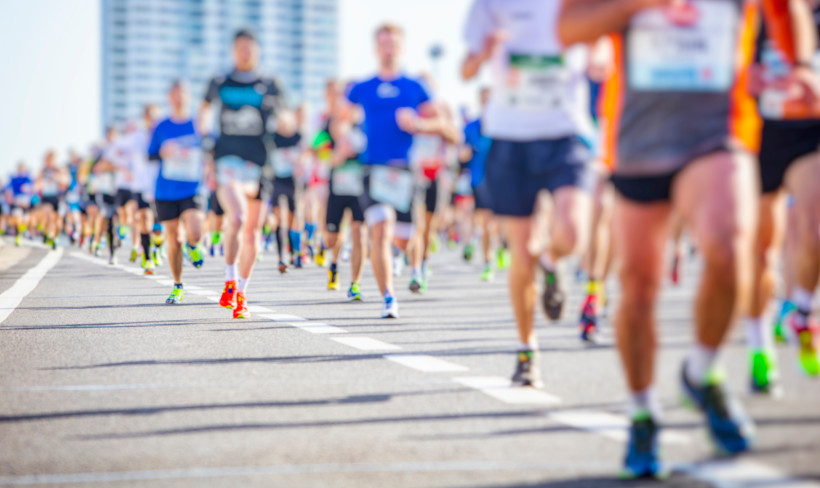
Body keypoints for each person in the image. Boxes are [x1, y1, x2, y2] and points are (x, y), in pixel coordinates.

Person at [558, 0, 820, 477]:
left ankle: (701, 370)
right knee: (639, 285)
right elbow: (567, 26)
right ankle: (642, 414)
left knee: (730, 245)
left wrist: (800, 64)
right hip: (639, 138)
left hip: (718, 133)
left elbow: (789, 8)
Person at [463, 0, 594, 388]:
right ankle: (527, 350)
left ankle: (551, 261)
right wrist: (483, 53)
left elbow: (603, 47)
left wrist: (599, 54)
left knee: (573, 232)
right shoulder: (490, 5)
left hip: (565, 133)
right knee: (521, 250)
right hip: (510, 136)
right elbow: (465, 69)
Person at [344, 23, 452, 319]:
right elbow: (339, 117)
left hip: (405, 173)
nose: (388, 49)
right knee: (380, 229)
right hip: (373, 170)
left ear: (402, 48)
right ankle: (389, 297)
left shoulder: (414, 87)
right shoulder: (363, 87)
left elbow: (445, 125)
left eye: (393, 44)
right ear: (376, 48)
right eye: (383, 44)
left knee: (404, 238)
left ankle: (396, 254)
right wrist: (343, 137)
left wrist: (419, 123)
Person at [745, 0, 820, 392]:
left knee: (815, 228)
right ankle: (759, 346)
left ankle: (801, 312)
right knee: (761, 251)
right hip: (757, 132)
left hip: (808, 129)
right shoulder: (749, 11)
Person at [199, 28, 293, 319]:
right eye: (240, 47)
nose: (245, 52)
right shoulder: (219, 81)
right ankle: (229, 280)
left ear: (257, 50)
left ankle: (241, 292)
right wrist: (204, 140)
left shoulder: (270, 83)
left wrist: (286, 120)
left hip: (259, 164)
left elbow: (287, 118)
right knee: (237, 218)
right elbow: (203, 112)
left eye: (250, 47)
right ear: (233, 50)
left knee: (252, 233)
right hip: (226, 160)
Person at [148, 80, 207, 304]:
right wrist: (162, 152)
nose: (179, 97)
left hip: (193, 187)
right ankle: (177, 285)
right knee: (174, 239)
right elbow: (150, 155)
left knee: (195, 232)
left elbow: (212, 149)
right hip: (166, 190)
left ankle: (194, 245)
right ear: (169, 98)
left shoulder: (198, 124)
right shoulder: (161, 126)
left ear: (189, 96)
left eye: (183, 93)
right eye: (175, 93)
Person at [322, 80, 367, 299]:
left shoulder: (366, 124)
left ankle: (355, 283)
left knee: (359, 232)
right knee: (332, 238)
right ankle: (334, 263)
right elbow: (317, 148)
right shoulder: (331, 123)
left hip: (360, 188)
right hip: (337, 187)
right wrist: (334, 155)